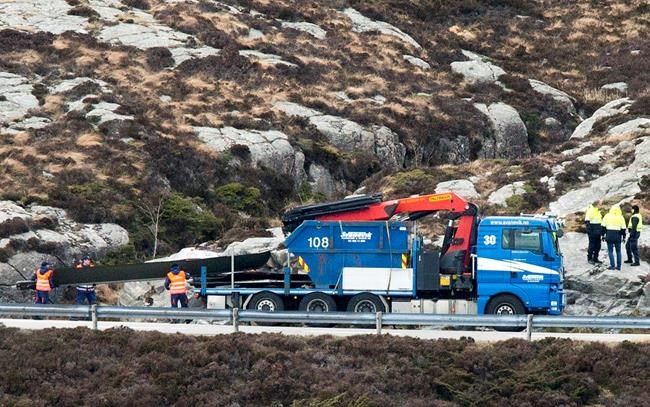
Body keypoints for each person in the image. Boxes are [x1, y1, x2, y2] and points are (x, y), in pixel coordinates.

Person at [601, 205, 627, 270]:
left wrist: (603, 235)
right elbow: (623, 228)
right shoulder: (621, 217)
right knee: (618, 251)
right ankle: (618, 266)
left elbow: (603, 227)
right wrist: (624, 237)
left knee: (610, 251)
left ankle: (612, 266)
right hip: (618, 235)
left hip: (609, 234)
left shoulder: (607, 216)